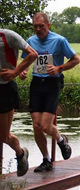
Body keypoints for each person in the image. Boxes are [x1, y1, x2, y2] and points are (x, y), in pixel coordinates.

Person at [21, 12, 80, 172]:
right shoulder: (31, 41)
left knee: (46, 125)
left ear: (48, 25)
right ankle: (46, 159)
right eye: (35, 26)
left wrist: (58, 68)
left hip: (52, 83)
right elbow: (26, 60)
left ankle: (61, 141)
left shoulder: (59, 40)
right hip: (36, 83)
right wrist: (24, 70)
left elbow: (76, 59)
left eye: (41, 26)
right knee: (36, 125)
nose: (38, 29)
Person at [0, 29, 38, 176]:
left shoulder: (8, 36)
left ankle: (21, 153)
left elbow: (33, 54)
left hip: (4, 89)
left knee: (3, 136)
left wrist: (15, 72)